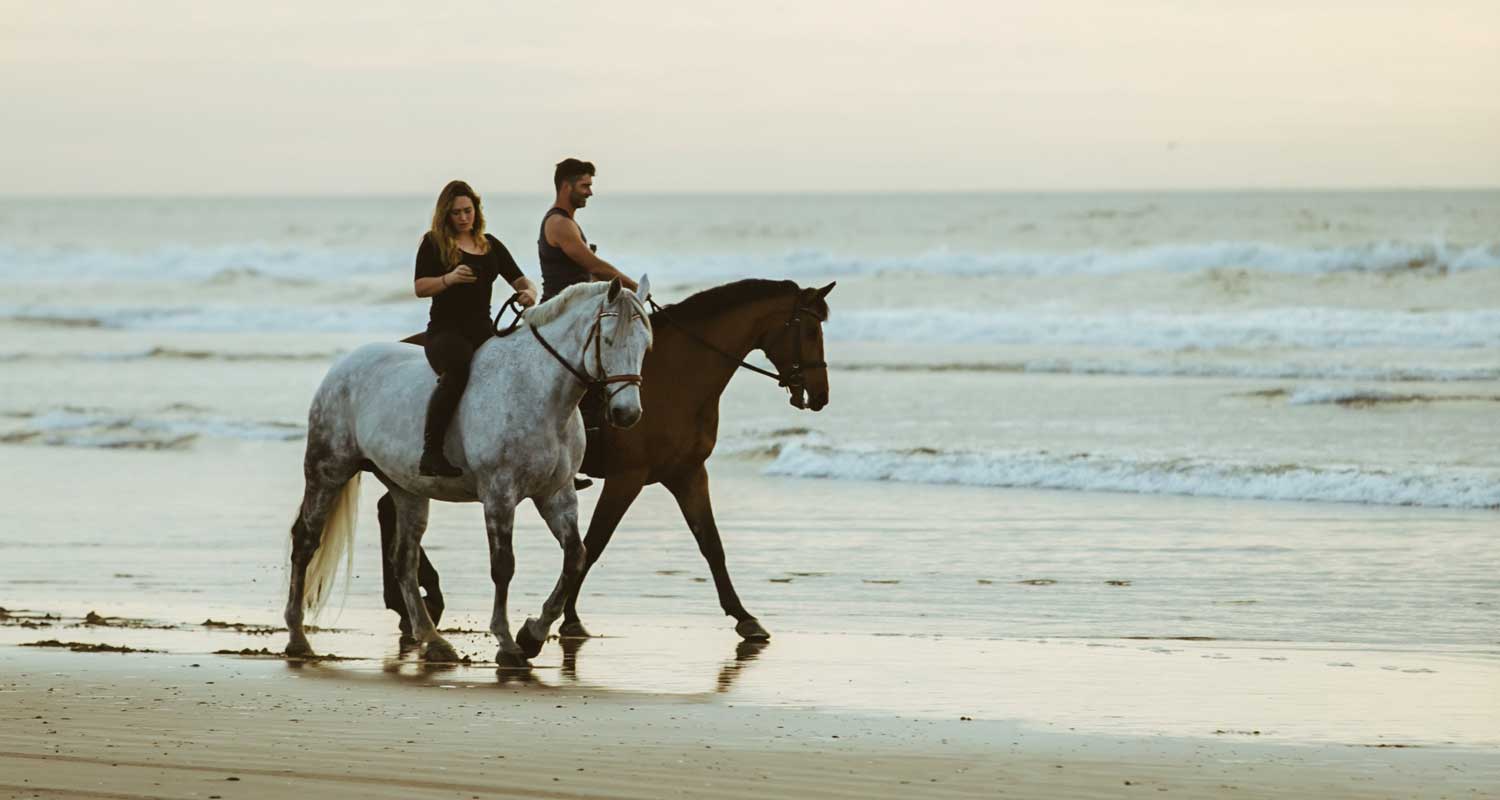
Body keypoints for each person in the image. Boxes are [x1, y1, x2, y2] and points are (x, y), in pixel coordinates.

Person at [413, 180, 539, 477]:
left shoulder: (490, 244)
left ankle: (538, 451)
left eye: (467, 211)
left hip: (483, 330)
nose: (463, 217)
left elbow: (520, 279)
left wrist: (529, 293)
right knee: (458, 366)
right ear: (446, 214)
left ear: (476, 211)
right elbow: (420, 287)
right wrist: (449, 279)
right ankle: (431, 452)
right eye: (456, 212)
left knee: (526, 366)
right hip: (445, 331)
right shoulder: (433, 243)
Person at [538, 158, 638, 302]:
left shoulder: (566, 221)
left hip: (574, 306)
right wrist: (635, 288)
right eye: (585, 186)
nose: (590, 193)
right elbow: (596, 267)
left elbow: (586, 275)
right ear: (566, 187)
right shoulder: (559, 223)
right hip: (560, 309)